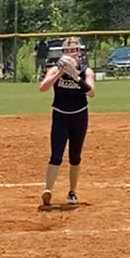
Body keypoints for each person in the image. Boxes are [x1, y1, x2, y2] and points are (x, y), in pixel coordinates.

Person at [37, 36, 92, 211]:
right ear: (62, 53)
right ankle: (48, 190)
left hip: (79, 116)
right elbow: (43, 87)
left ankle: (72, 192)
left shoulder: (85, 71)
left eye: (74, 50)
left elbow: (91, 92)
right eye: (67, 50)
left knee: (75, 156)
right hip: (60, 116)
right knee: (56, 155)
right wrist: (60, 73)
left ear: (79, 52)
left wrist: (75, 77)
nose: (71, 53)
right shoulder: (55, 69)